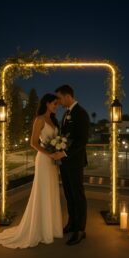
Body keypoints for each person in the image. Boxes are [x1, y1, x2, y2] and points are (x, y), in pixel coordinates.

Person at [0, 93, 63, 248]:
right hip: (44, 160)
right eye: (54, 104)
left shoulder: (52, 120)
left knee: (51, 191)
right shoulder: (39, 120)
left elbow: (56, 141)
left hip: (53, 161)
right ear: (47, 103)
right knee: (42, 191)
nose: (56, 107)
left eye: (57, 105)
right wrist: (50, 153)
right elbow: (33, 143)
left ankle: (50, 228)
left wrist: (58, 150)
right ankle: (40, 229)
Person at [55, 84, 90, 246]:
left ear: (68, 96)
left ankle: (80, 230)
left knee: (78, 195)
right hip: (65, 163)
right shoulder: (65, 114)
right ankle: (72, 223)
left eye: (60, 98)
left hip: (75, 162)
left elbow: (82, 141)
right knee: (69, 194)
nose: (59, 101)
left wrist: (65, 153)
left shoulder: (81, 113)